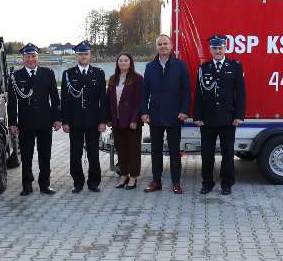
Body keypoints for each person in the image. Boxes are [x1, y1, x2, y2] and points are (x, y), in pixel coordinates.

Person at [193, 35, 246, 196]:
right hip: (207, 120)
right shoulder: (204, 68)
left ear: (225, 48)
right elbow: (198, 94)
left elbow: (241, 93)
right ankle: (207, 183)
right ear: (210, 50)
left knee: (227, 154)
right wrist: (197, 117)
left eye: (220, 48)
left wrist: (239, 116)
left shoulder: (235, 66)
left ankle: (227, 183)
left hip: (228, 119)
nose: (217, 51)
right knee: (207, 155)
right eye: (214, 48)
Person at [7, 43, 62, 196]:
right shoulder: (16, 76)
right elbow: (12, 102)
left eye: (33, 56)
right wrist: (12, 122)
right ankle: (27, 185)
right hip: (26, 122)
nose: (30, 59)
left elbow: (55, 98)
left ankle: (45, 184)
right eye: (27, 57)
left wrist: (57, 118)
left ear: (38, 57)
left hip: (45, 121)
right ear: (23, 59)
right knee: (26, 155)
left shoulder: (48, 73)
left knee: (45, 155)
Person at [140, 34, 191, 194]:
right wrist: (144, 112)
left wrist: (184, 111)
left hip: (175, 116)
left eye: (165, 43)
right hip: (155, 116)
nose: (163, 46)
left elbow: (187, 91)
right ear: (157, 47)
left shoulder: (180, 66)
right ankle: (156, 181)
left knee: (174, 152)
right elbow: (144, 92)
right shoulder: (150, 67)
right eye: (160, 44)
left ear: (171, 45)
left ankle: (176, 183)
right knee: (156, 151)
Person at [61, 40, 108, 193]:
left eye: (86, 54)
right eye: (80, 54)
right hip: (74, 122)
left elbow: (103, 99)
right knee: (75, 154)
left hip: (93, 122)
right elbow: (65, 100)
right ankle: (78, 182)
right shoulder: (68, 74)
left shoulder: (98, 73)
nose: (83, 56)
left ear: (90, 56)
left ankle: (94, 182)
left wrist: (102, 121)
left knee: (94, 153)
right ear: (76, 56)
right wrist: (65, 121)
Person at [106, 52, 143, 190]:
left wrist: (135, 119)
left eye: (125, 60)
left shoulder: (137, 78)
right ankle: (124, 175)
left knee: (133, 150)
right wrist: (109, 118)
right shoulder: (112, 79)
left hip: (132, 122)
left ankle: (133, 177)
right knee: (121, 150)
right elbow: (108, 99)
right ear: (117, 63)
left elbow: (138, 101)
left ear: (130, 62)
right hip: (117, 121)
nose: (122, 62)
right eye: (120, 60)